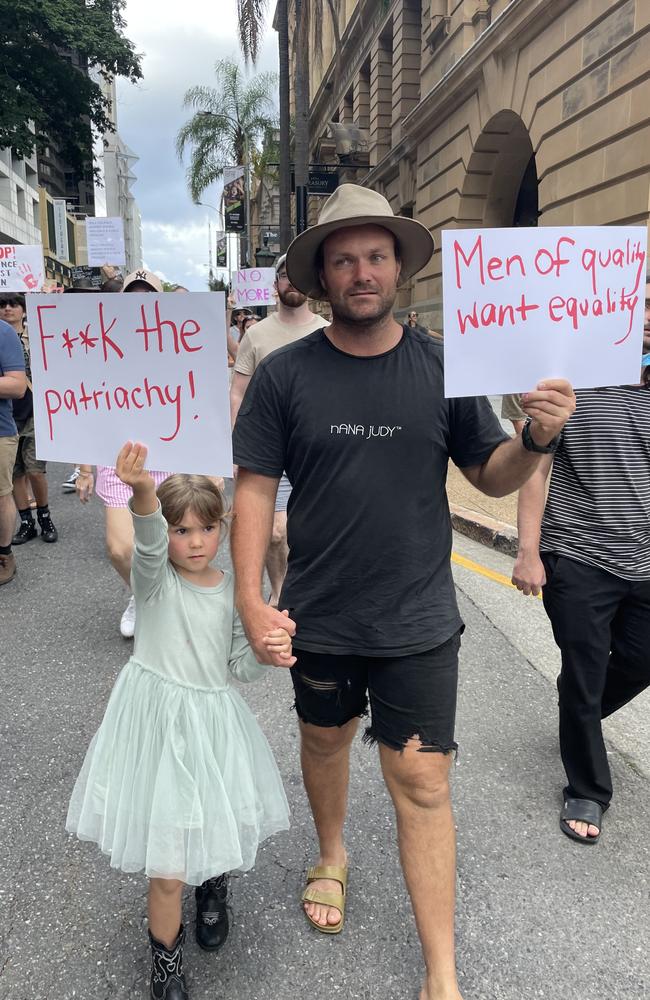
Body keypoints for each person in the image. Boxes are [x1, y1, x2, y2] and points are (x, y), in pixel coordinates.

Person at [230, 183, 576, 1000]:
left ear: (398, 267)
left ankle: (442, 974)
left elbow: (489, 473)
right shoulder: (284, 375)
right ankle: (333, 853)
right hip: (320, 613)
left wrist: (535, 437)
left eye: (375, 256)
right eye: (343, 258)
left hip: (419, 618)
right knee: (323, 744)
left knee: (424, 782)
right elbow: (253, 489)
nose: (361, 271)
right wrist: (251, 599)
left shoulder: (444, 368)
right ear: (322, 274)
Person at [66, 441, 291, 999]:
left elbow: (240, 665)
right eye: (181, 530)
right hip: (154, 725)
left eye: (205, 530)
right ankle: (165, 964)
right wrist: (142, 490)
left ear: (223, 529)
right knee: (165, 857)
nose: (194, 542)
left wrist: (268, 651)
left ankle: (212, 885)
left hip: (212, 725)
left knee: (209, 820)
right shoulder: (155, 582)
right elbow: (143, 543)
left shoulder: (237, 592)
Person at [512, 277, 650, 846]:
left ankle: (580, 710)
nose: (641, 321)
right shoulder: (567, 386)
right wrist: (527, 551)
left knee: (637, 662)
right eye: (633, 310)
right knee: (586, 667)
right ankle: (588, 788)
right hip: (577, 551)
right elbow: (536, 466)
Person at [75, 270, 171, 637]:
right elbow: (84, 406)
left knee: (169, 541)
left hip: (169, 458)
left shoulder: (178, 344)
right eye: (134, 295)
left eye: (149, 295)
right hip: (116, 459)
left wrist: (209, 465)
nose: (141, 302)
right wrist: (84, 468)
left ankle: (163, 601)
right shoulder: (101, 347)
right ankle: (140, 595)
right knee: (119, 548)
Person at [230, 253, 325, 607]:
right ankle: (281, 590)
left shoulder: (326, 331)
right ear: (275, 285)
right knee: (275, 532)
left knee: (311, 526)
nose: (292, 282)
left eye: (298, 275)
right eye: (285, 275)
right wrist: (236, 450)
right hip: (269, 447)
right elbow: (238, 392)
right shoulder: (256, 335)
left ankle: (309, 584)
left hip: (317, 448)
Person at [0, 293, 58, 546]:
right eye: (2, 305)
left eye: (13, 304)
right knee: (15, 475)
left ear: (24, 310)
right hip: (9, 414)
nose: (7, 309)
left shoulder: (39, 337)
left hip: (35, 412)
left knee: (35, 470)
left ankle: (45, 517)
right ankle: (27, 523)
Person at [0, 313, 26, 585]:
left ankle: (4, 554)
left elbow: (17, 385)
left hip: (0, 432)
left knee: (1, 495)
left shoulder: (3, 332)